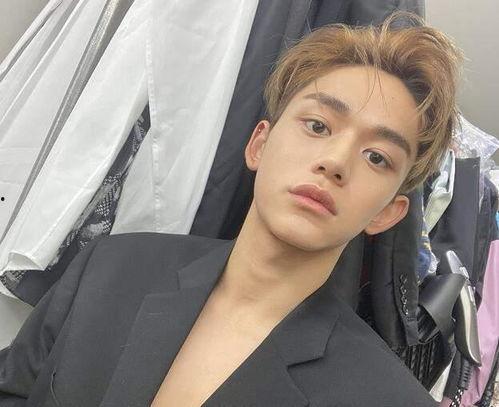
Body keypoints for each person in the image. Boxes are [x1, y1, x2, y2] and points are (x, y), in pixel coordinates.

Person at [0, 12, 462, 407]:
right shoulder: (109, 268)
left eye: (377, 157)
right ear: (259, 144)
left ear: (388, 213)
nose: (336, 162)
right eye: (318, 126)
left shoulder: (387, 398)